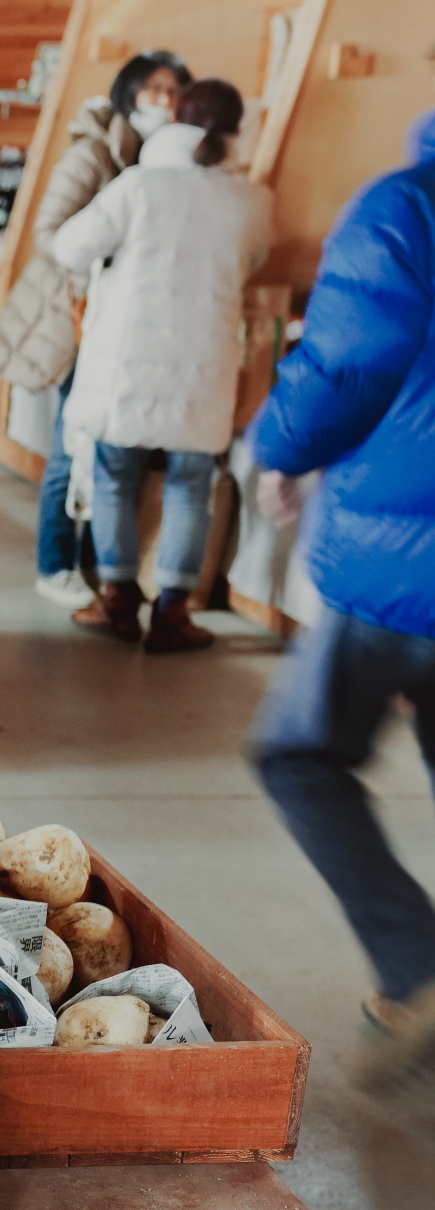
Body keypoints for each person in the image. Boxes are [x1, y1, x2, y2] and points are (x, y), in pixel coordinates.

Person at [246, 110, 435, 1116]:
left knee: (300, 754)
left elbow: (351, 358)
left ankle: (417, 963)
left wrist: (281, 445)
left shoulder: (407, 208)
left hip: (404, 560)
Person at [50, 78, 272, 652]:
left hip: (130, 359)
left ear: (176, 120)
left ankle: (118, 601)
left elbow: (70, 246)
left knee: (115, 477)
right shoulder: (251, 198)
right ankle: (174, 613)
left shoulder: (138, 186)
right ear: (235, 131)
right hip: (205, 361)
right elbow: (257, 259)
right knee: (190, 487)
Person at [0, 51, 193, 611]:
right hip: (79, 318)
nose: (165, 102)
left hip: (127, 324)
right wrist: (106, 257)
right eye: (154, 89)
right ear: (128, 94)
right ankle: (55, 564)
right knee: (72, 441)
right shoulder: (92, 154)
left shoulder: (168, 162)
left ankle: (104, 566)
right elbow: (49, 232)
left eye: (174, 92)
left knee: (105, 444)